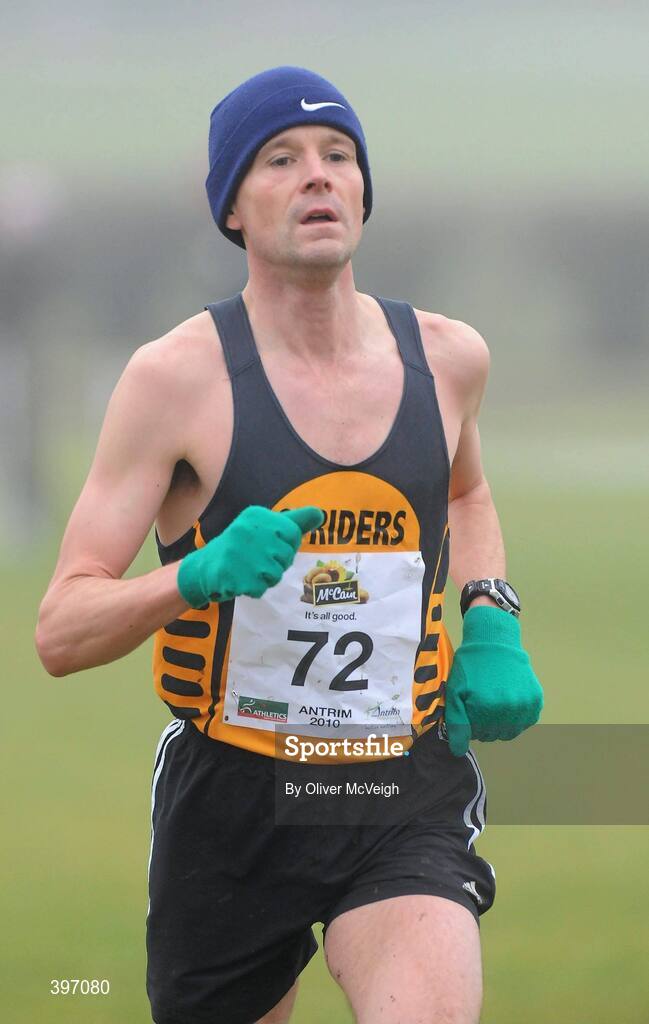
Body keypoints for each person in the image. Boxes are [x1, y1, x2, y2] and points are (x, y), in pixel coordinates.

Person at [35, 66, 543, 1024]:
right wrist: (194, 575)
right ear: (232, 206)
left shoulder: (447, 358)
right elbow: (60, 629)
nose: (318, 175)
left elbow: (465, 490)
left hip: (398, 775)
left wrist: (490, 623)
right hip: (233, 796)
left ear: (362, 190)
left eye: (338, 156)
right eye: (282, 158)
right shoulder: (173, 382)